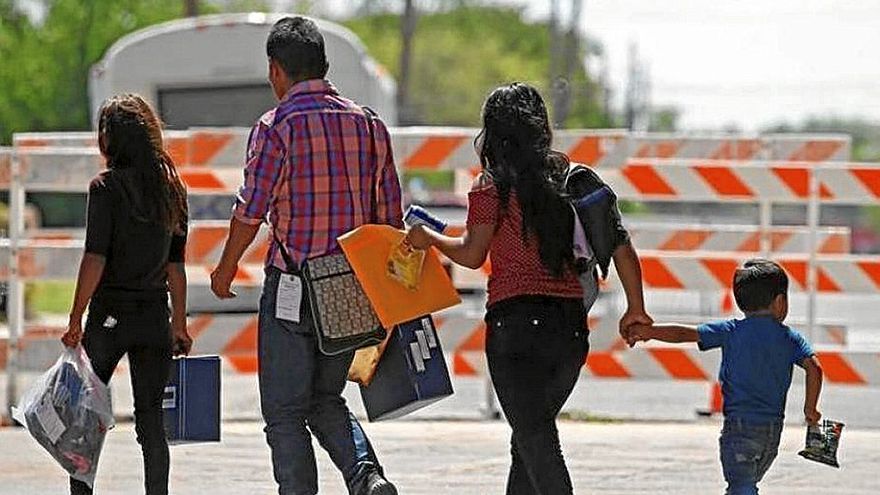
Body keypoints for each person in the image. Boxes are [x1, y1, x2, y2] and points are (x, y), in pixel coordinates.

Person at [407, 82, 652, 494]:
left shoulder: (491, 185)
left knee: (537, 442)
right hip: (568, 332)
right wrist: (636, 309)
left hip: (514, 330)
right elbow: (622, 248)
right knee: (529, 441)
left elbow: (471, 254)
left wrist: (429, 239)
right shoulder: (573, 182)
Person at [210, 17, 402, 495]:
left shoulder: (276, 128)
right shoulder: (369, 125)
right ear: (324, 65)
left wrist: (225, 268)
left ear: (276, 70)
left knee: (284, 413)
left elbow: (250, 211)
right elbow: (390, 219)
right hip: (353, 286)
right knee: (325, 398)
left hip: (293, 286)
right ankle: (366, 477)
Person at [60, 93, 192, 495]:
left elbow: (95, 258)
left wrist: (75, 316)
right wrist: (179, 323)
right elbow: (176, 267)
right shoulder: (172, 189)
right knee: (151, 421)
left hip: (108, 317)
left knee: (86, 416)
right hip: (153, 316)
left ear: (109, 139)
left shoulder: (105, 188)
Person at [627, 258, 824, 495]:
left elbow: (685, 333)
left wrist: (649, 332)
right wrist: (810, 409)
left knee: (741, 485)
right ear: (781, 302)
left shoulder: (731, 331)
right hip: (773, 431)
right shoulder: (790, 338)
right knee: (747, 484)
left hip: (738, 428)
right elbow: (814, 368)